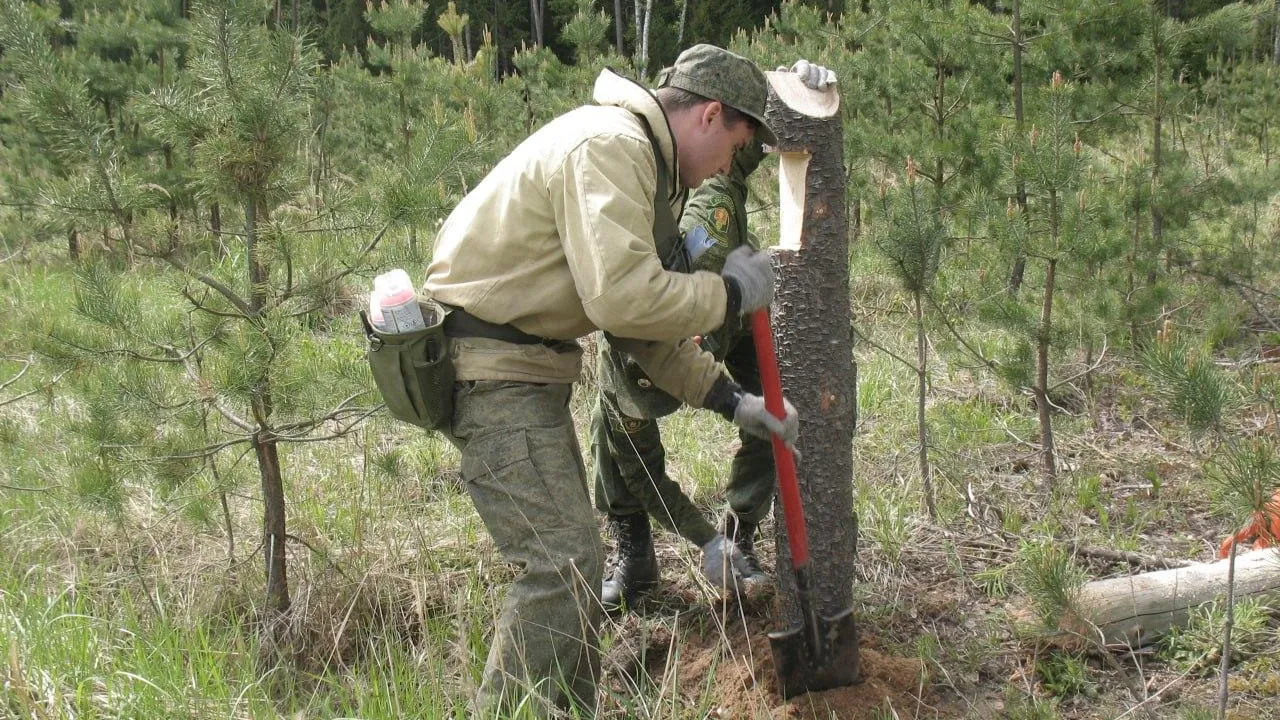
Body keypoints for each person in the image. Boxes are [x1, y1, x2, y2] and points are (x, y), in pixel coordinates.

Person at [422, 44, 802, 716]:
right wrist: (727, 295)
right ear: (711, 115)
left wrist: (732, 400)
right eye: (735, 149)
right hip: (489, 371)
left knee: (571, 563)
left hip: (525, 373)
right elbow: (624, 301)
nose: (725, 170)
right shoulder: (611, 148)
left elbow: (640, 330)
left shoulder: (645, 168)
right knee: (560, 567)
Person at [592, 61, 837, 614]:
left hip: (728, 311)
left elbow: (738, 124)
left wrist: (793, 84)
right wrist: (703, 538)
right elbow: (643, 469)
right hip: (691, 319)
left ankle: (744, 527)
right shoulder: (630, 364)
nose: (720, 167)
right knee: (612, 444)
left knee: (773, 411)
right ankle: (634, 557)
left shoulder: (712, 174)